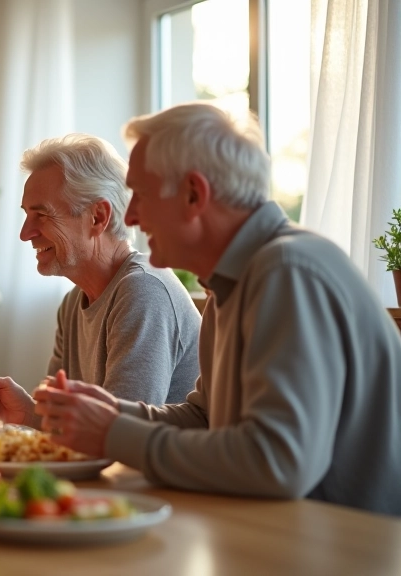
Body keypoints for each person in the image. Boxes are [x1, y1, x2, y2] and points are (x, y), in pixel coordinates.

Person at [34, 102, 401, 516]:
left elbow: (278, 462)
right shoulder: (234, 281)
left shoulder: (286, 272)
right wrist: (108, 413)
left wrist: (113, 433)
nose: (131, 215)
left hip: (351, 549)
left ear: (194, 194)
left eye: (142, 194)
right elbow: (204, 418)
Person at [0, 134, 201, 426]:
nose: (25, 233)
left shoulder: (143, 291)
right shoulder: (74, 302)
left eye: (42, 214)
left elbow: (120, 436)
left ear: (97, 217)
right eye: (26, 215)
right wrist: (27, 412)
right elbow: (71, 424)